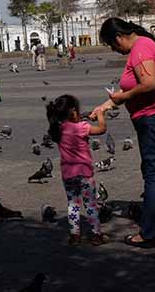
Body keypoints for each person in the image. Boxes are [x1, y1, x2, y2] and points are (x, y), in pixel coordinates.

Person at [92, 17, 155, 249]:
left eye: (112, 46)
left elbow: (148, 84)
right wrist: (104, 106)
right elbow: (132, 85)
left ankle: (150, 233)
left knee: (153, 174)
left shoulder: (140, 49)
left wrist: (123, 98)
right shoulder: (144, 45)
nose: (114, 50)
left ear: (118, 38)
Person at [47, 94, 109, 246]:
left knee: (73, 205)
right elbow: (102, 129)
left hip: (68, 175)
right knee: (90, 204)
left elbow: (71, 124)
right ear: (73, 111)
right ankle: (96, 235)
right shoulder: (82, 128)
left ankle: (75, 235)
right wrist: (100, 115)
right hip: (85, 174)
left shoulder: (58, 129)